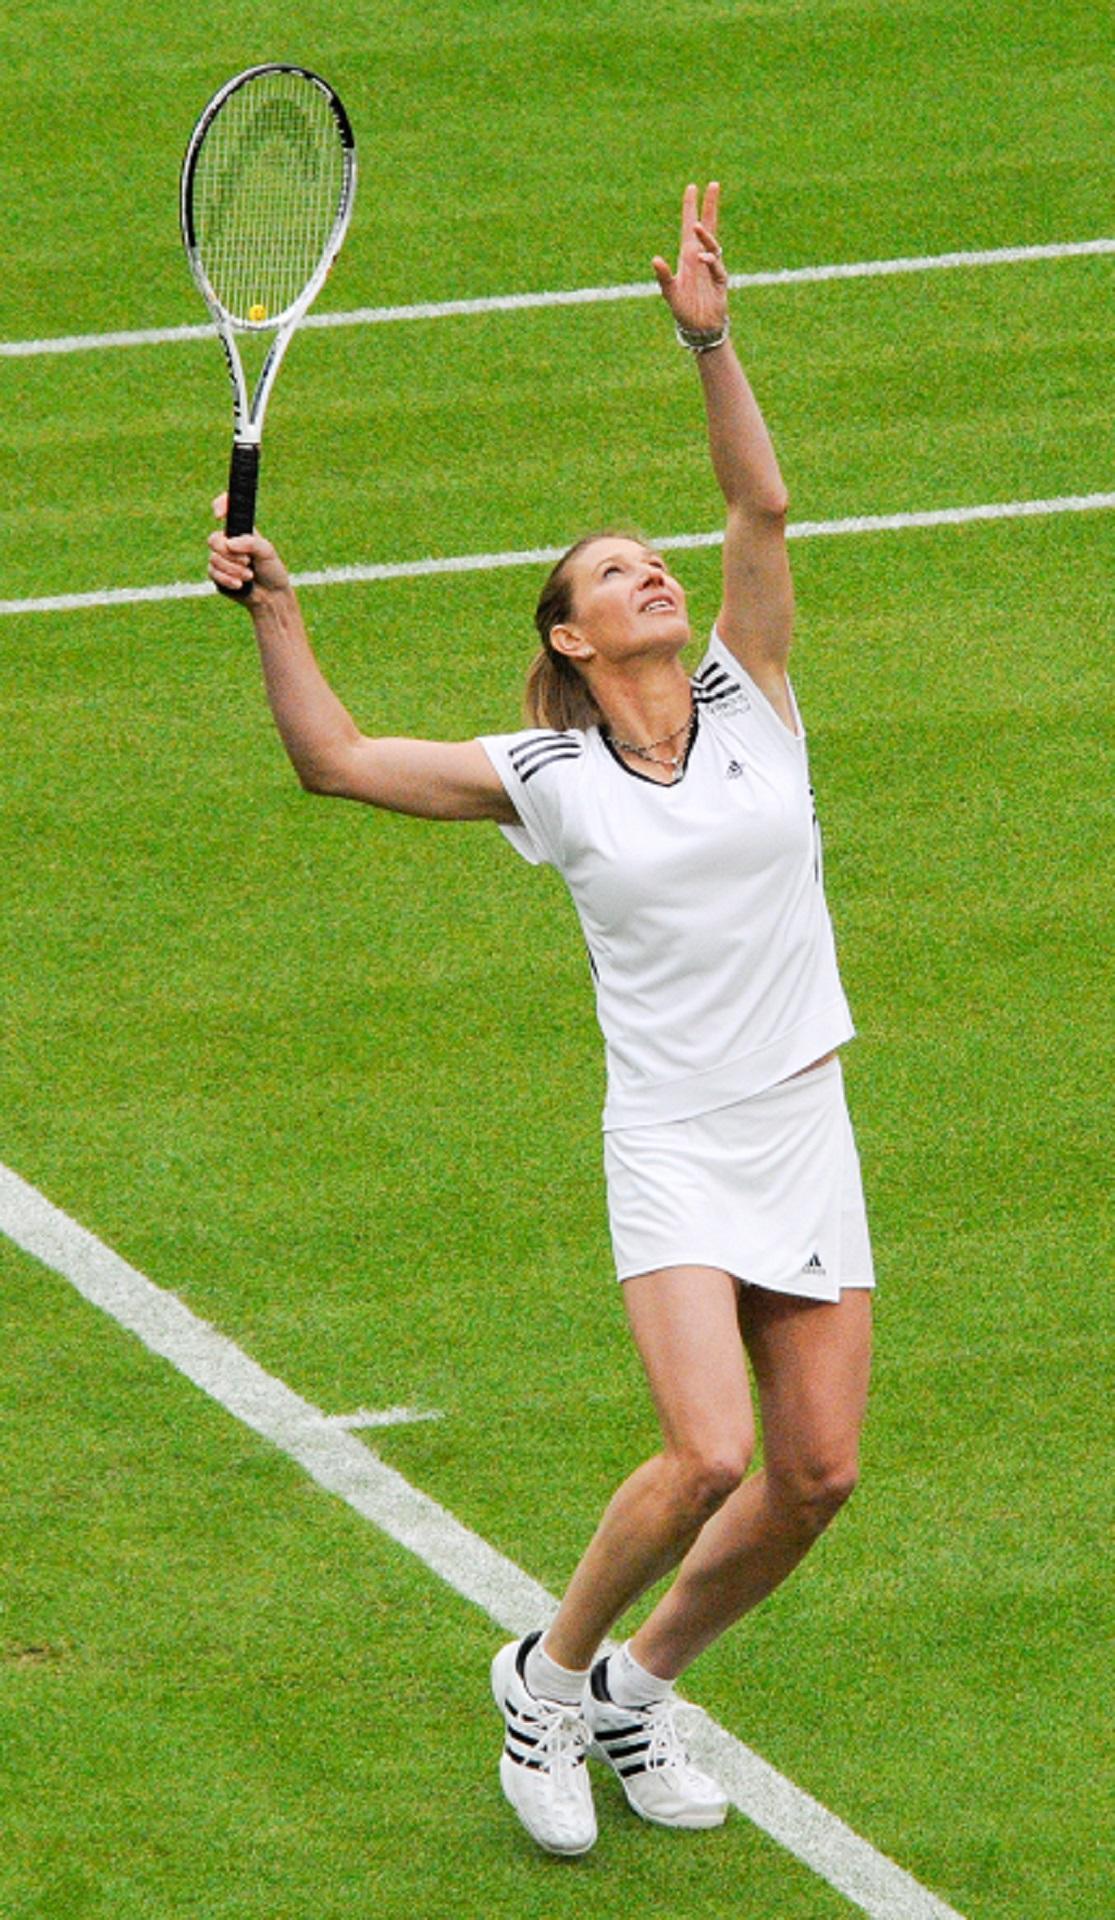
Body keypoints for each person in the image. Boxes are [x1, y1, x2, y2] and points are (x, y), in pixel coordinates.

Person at [207, 181, 874, 1859]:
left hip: (802, 1120)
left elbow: (764, 509)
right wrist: (281, 612)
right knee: (708, 1451)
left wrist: (709, 344)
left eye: (653, 558)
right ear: (572, 641)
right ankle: (546, 1671)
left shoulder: (755, 698)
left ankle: (643, 1689)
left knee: (817, 1478)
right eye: (613, 575)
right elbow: (336, 764)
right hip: (671, 1140)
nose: (654, 570)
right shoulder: (546, 775)